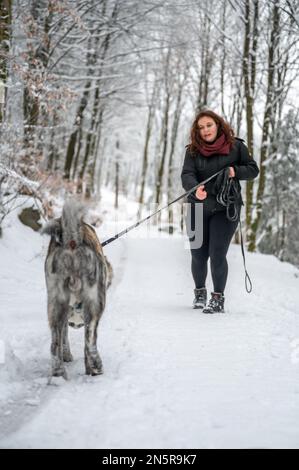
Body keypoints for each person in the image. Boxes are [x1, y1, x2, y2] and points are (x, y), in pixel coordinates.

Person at [181, 110, 259, 313]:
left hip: (227, 208)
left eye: (209, 125)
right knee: (198, 254)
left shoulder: (236, 147)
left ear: (218, 125)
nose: (205, 130)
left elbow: (253, 169)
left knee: (217, 254)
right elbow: (187, 174)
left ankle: (217, 298)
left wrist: (235, 171)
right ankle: (200, 293)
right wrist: (194, 188)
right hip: (197, 208)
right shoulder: (192, 151)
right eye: (201, 127)